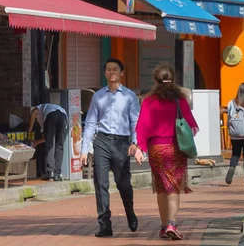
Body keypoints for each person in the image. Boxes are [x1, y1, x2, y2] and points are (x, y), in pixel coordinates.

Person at [135, 64, 199, 241]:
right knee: (174, 188)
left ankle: (164, 226)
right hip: (176, 148)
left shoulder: (149, 100)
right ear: (173, 79)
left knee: (162, 188)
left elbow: (143, 126)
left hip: (156, 149)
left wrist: (141, 147)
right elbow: (191, 125)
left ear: (155, 80)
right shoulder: (181, 99)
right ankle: (172, 223)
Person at [80, 58, 141, 238]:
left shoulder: (130, 96)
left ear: (122, 73)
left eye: (115, 69)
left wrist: (135, 142)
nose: (112, 72)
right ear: (105, 73)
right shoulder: (98, 96)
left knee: (123, 184)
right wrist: (84, 150)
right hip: (102, 142)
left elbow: (135, 122)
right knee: (101, 183)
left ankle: (130, 212)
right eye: (108, 69)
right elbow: (90, 123)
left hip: (122, 143)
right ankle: (104, 224)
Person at [28, 103, 68, 181]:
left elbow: (33, 113)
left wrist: (29, 129)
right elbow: (47, 137)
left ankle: (50, 172)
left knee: (49, 145)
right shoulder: (49, 107)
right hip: (63, 115)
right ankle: (57, 174)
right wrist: (37, 142)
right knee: (59, 146)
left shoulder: (40, 108)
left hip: (52, 115)